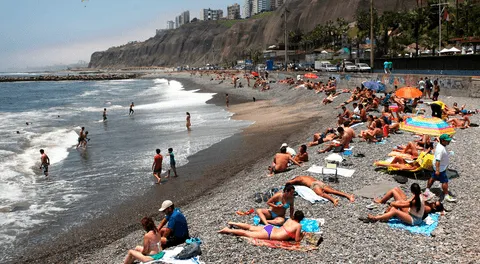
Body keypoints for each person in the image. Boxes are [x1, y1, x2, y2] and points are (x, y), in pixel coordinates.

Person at [360, 183, 425, 226]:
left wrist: (393, 204)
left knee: (395, 210)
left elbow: (404, 205)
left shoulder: (416, 200)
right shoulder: (418, 195)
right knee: (396, 202)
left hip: (415, 219)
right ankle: (385, 216)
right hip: (411, 212)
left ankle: (375, 218)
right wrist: (397, 203)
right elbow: (407, 203)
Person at [218, 210, 305, 242]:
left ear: (294, 216)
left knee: (250, 227)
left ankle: (233, 223)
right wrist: (302, 235)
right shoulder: (298, 226)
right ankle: (228, 230)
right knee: (246, 233)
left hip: (270, 228)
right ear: (301, 219)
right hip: (270, 234)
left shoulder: (289, 220)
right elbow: (297, 239)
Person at [424, 134, 456, 202]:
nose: (449, 142)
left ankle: (427, 190)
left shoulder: (440, 144)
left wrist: (448, 153)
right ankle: (446, 195)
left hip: (437, 167)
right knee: (445, 181)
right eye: (447, 141)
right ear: (443, 141)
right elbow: (438, 160)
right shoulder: (441, 149)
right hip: (440, 168)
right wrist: (438, 170)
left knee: (433, 177)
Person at [287, 176, 354, 206]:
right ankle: (348, 196)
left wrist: (292, 181)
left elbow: (288, 182)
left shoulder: (298, 178)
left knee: (321, 194)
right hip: (318, 182)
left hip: (314, 185)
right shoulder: (304, 176)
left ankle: (333, 199)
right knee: (332, 191)